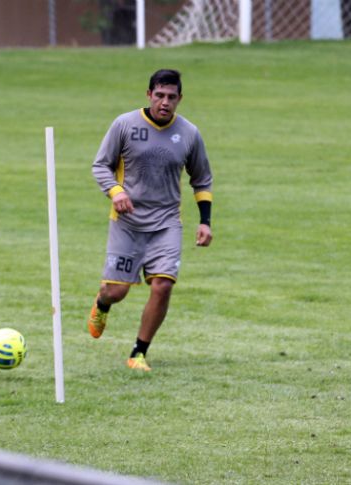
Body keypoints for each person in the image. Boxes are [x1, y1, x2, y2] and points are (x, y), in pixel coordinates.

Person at [88, 68, 213, 371]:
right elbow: (100, 165)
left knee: (163, 286)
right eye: (159, 95)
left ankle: (138, 352)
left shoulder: (189, 134)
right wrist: (116, 191)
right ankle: (102, 303)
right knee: (116, 291)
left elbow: (203, 179)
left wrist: (205, 221)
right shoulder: (124, 125)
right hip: (127, 222)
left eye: (171, 97)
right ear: (149, 95)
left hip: (166, 223)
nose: (165, 102)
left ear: (180, 98)